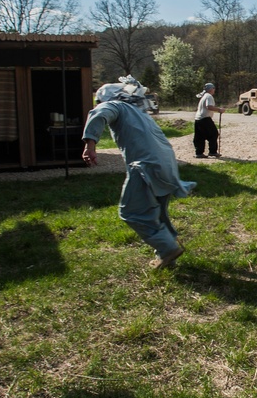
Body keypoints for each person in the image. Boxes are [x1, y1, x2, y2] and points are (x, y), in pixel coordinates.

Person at [81, 76, 196, 270]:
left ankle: (167, 247)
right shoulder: (138, 111)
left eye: (100, 101)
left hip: (145, 165)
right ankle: (167, 255)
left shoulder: (115, 106)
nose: (100, 104)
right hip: (167, 163)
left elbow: (100, 113)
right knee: (156, 211)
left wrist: (90, 144)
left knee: (131, 212)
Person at [194, 82, 225, 158]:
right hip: (205, 118)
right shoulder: (209, 96)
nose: (214, 90)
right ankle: (212, 151)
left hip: (198, 119)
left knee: (200, 136)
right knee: (213, 134)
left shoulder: (204, 96)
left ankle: (199, 153)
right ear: (211, 89)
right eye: (213, 88)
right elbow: (209, 106)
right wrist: (219, 109)